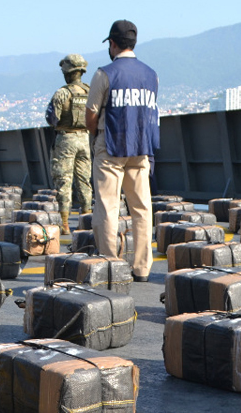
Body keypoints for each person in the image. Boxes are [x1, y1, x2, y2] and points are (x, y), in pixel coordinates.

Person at [85, 20, 158, 282]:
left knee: (108, 206)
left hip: (111, 145)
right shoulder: (151, 75)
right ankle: (142, 267)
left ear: (112, 44)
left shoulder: (104, 74)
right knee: (141, 208)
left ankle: (110, 265)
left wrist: (95, 136)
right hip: (141, 148)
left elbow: (90, 115)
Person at [45, 54, 93, 235]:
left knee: (64, 180)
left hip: (66, 139)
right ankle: (86, 219)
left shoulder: (62, 93)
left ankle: (64, 223)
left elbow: (52, 118)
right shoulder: (90, 91)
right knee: (84, 180)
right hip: (85, 139)